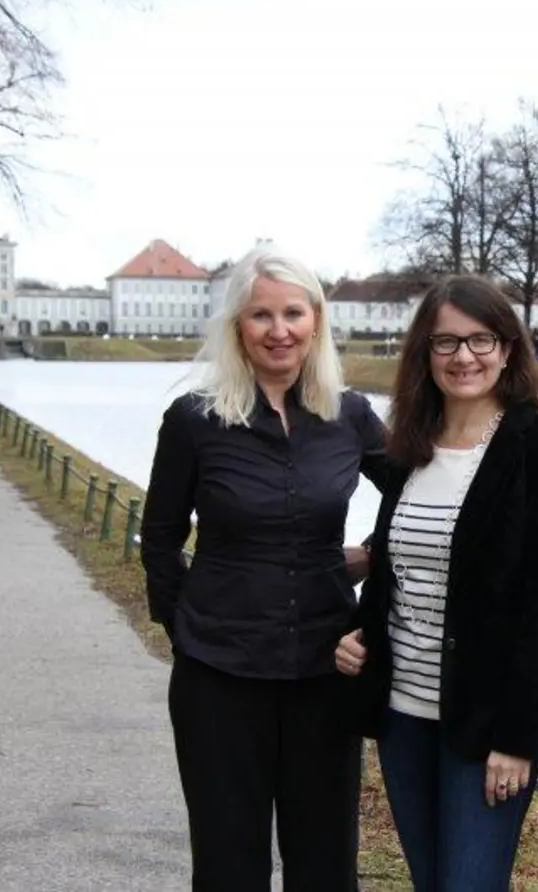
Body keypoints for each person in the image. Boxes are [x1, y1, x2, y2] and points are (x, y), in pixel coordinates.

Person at [139, 246, 386, 892]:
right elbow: (161, 540)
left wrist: (372, 565)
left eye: (293, 313)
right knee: (228, 861)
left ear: (316, 320)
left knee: (326, 861)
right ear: (237, 329)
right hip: (219, 675)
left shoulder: (351, 416)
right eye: (261, 316)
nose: (280, 330)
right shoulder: (195, 422)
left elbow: (419, 501)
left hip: (325, 673)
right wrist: (183, 626)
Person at [334, 275, 538, 892]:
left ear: (507, 349)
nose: (463, 357)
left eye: (480, 340)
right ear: (425, 353)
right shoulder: (408, 451)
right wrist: (358, 635)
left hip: (487, 728)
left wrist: (520, 739)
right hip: (403, 717)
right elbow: (399, 567)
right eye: (445, 342)